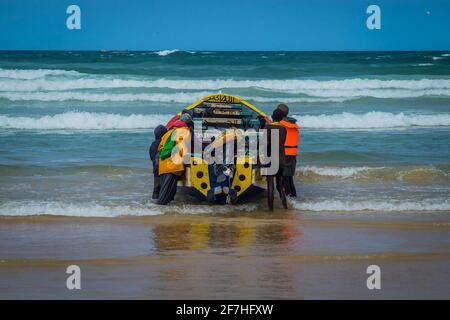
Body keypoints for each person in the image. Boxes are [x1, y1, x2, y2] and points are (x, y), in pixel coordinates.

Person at [157, 113, 193, 205]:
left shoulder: (169, 132)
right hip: (172, 165)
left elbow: (160, 148)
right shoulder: (184, 131)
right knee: (166, 194)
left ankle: (161, 211)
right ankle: (157, 211)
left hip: (163, 165)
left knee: (166, 191)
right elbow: (183, 148)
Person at [264, 109, 288, 211]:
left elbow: (265, 144)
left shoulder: (267, 127)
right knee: (280, 186)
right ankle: (285, 207)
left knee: (270, 186)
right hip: (282, 159)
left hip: (271, 159)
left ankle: (271, 211)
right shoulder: (284, 129)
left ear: (272, 116)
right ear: (282, 118)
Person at [276, 103, 300, 198]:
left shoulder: (280, 125)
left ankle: (288, 200)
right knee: (289, 178)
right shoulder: (293, 125)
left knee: (283, 179)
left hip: (284, 154)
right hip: (293, 153)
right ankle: (293, 198)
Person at [149, 125, 168, 200]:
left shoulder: (153, 144)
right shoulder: (165, 143)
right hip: (164, 168)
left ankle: (154, 203)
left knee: (156, 188)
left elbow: (151, 156)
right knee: (164, 187)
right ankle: (162, 203)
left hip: (156, 169)